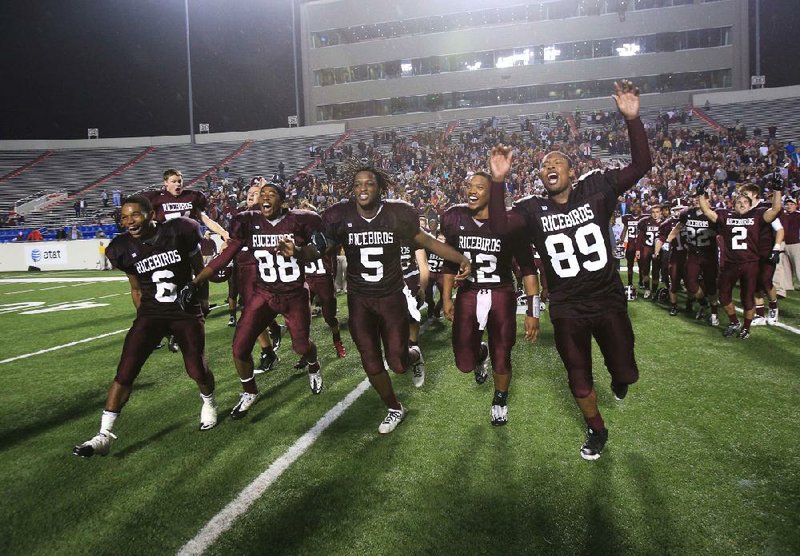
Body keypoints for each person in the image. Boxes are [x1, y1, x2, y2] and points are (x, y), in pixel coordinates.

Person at [491, 80, 652, 460]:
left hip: (607, 299)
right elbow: (499, 228)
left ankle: (619, 376)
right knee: (578, 378)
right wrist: (498, 181)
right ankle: (597, 430)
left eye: (556, 162)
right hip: (566, 307)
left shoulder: (596, 188)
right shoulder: (531, 209)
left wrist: (632, 120)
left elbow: (642, 164)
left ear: (571, 169)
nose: (549, 166)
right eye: (544, 164)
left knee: (626, 373)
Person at [280, 161, 471, 434]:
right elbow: (316, 250)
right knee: (370, 358)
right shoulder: (339, 216)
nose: (363, 188)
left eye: (369, 183)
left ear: (380, 187)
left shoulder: (396, 214)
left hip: (391, 297)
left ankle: (414, 356)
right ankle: (395, 408)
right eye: (357, 184)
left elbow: (427, 241)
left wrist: (459, 257)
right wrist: (296, 252)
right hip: (360, 300)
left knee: (398, 363)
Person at [73, 195, 217, 458]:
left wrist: (203, 302)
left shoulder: (179, 230)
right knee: (126, 370)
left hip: (184, 311)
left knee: (196, 367)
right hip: (151, 313)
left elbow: (200, 271)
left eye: (135, 215)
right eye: (125, 217)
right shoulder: (121, 248)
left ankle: (208, 402)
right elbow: (136, 287)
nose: (129, 221)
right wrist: (145, 321)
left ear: (151, 214)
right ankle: (104, 434)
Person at [183, 181, 324, 417]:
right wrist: (196, 281)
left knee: (301, 346)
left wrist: (298, 251)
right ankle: (249, 391)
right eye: (262, 194)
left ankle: (313, 365)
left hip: (294, 293)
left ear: (283, 200)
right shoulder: (249, 222)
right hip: (264, 293)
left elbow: (320, 249)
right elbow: (225, 255)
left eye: (271, 194)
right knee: (239, 348)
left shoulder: (301, 220)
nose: (265, 197)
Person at [441, 166, 540, 426]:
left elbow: (528, 270)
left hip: (500, 292)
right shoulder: (454, 218)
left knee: (502, 353)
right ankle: (478, 354)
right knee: (464, 362)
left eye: (480, 187)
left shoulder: (510, 223)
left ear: (493, 193)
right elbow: (449, 263)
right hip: (469, 292)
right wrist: (446, 298)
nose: (472, 191)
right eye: (469, 186)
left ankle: (499, 399)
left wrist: (534, 311)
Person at [695, 179, 783, 339]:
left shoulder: (757, 215)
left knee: (747, 299)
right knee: (723, 297)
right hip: (729, 264)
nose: (742, 204)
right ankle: (734, 322)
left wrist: (777, 190)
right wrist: (701, 195)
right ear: (733, 204)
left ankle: (746, 328)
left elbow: (776, 209)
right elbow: (707, 212)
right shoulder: (726, 216)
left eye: (745, 202)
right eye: (739, 202)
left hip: (750, 263)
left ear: (750, 205)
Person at [141, 168, 230, 241]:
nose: (178, 184)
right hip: (166, 244)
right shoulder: (156, 198)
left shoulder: (191, 196)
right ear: (166, 182)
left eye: (179, 181)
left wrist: (223, 232)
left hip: (189, 242)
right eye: (174, 181)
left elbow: (206, 220)